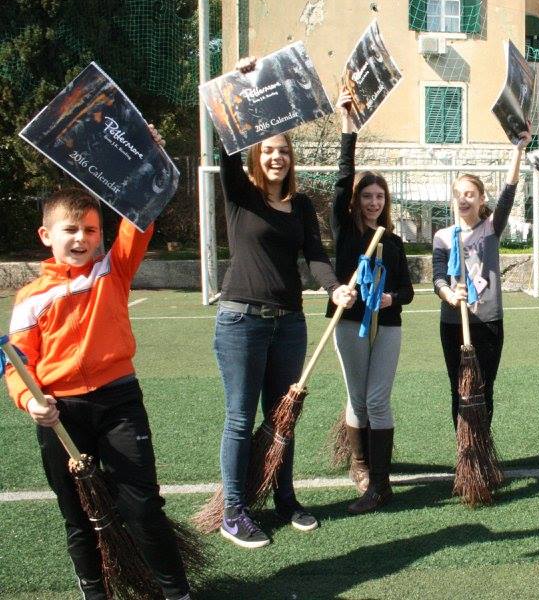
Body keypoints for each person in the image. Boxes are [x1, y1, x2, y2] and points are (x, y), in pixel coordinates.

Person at [4, 128, 192, 600]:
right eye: (71, 229)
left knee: (143, 505)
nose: (82, 238)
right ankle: (95, 592)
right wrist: (31, 401)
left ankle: (175, 591)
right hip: (60, 412)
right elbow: (16, 367)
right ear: (47, 236)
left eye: (91, 229)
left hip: (118, 402)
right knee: (79, 513)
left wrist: (149, 153)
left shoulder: (114, 268)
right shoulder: (29, 300)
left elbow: (141, 212)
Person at [213, 56, 355, 548]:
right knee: (239, 417)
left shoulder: (300, 206)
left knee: (282, 414)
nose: (277, 158)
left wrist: (333, 286)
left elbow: (315, 257)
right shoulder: (240, 195)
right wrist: (237, 82)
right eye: (269, 151)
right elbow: (225, 143)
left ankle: (284, 498)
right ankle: (233, 510)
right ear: (258, 156)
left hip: (288, 325)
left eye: (284, 152)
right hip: (242, 321)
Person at [328, 87, 414, 514]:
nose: (373, 202)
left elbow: (409, 291)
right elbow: (341, 183)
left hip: (388, 327)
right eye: (367, 196)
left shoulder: (395, 243)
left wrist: (391, 298)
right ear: (358, 201)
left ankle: (380, 484)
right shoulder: (346, 235)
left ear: (386, 202)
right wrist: (349, 130)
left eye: (379, 197)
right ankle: (360, 465)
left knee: (378, 399)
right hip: (348, 324)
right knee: (356, 399)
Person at [432, 130, 531, 429]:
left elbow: (510, 192)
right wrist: (450, 295)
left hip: (488, 321)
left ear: (480, 198)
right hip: (453, 323)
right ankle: (465, 454)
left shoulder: (490, 229)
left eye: (470, 194)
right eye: (458, 194)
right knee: (459, 391)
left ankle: (482, 448)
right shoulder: (442, 236)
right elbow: (438, 277)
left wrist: (518, 150)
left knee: (484, 389)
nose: (463, 199)